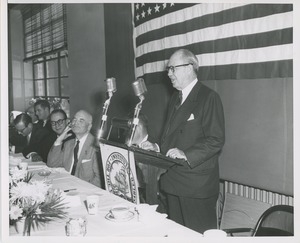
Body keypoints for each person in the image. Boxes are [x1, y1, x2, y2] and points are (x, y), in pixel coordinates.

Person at [142, 49, 225, 233]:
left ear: (189, 68)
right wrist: (157, 147)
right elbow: (171, 137)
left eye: (172, 68)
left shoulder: (209, 97)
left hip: (196, 186)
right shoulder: (175, 98)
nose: (169, 74)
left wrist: (186, 154)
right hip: (174, 182)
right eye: (168, 70)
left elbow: (216, 140)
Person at [47, 110, 102, 188]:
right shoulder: (68, 144)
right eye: (75, 119)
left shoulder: (96, 147)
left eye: (81, 121)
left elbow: (99, 180)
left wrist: (82, 191)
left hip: (85, 191)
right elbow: (52, 164)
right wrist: (59, 139)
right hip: (67, 186)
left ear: (89, 127)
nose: (76, 123)